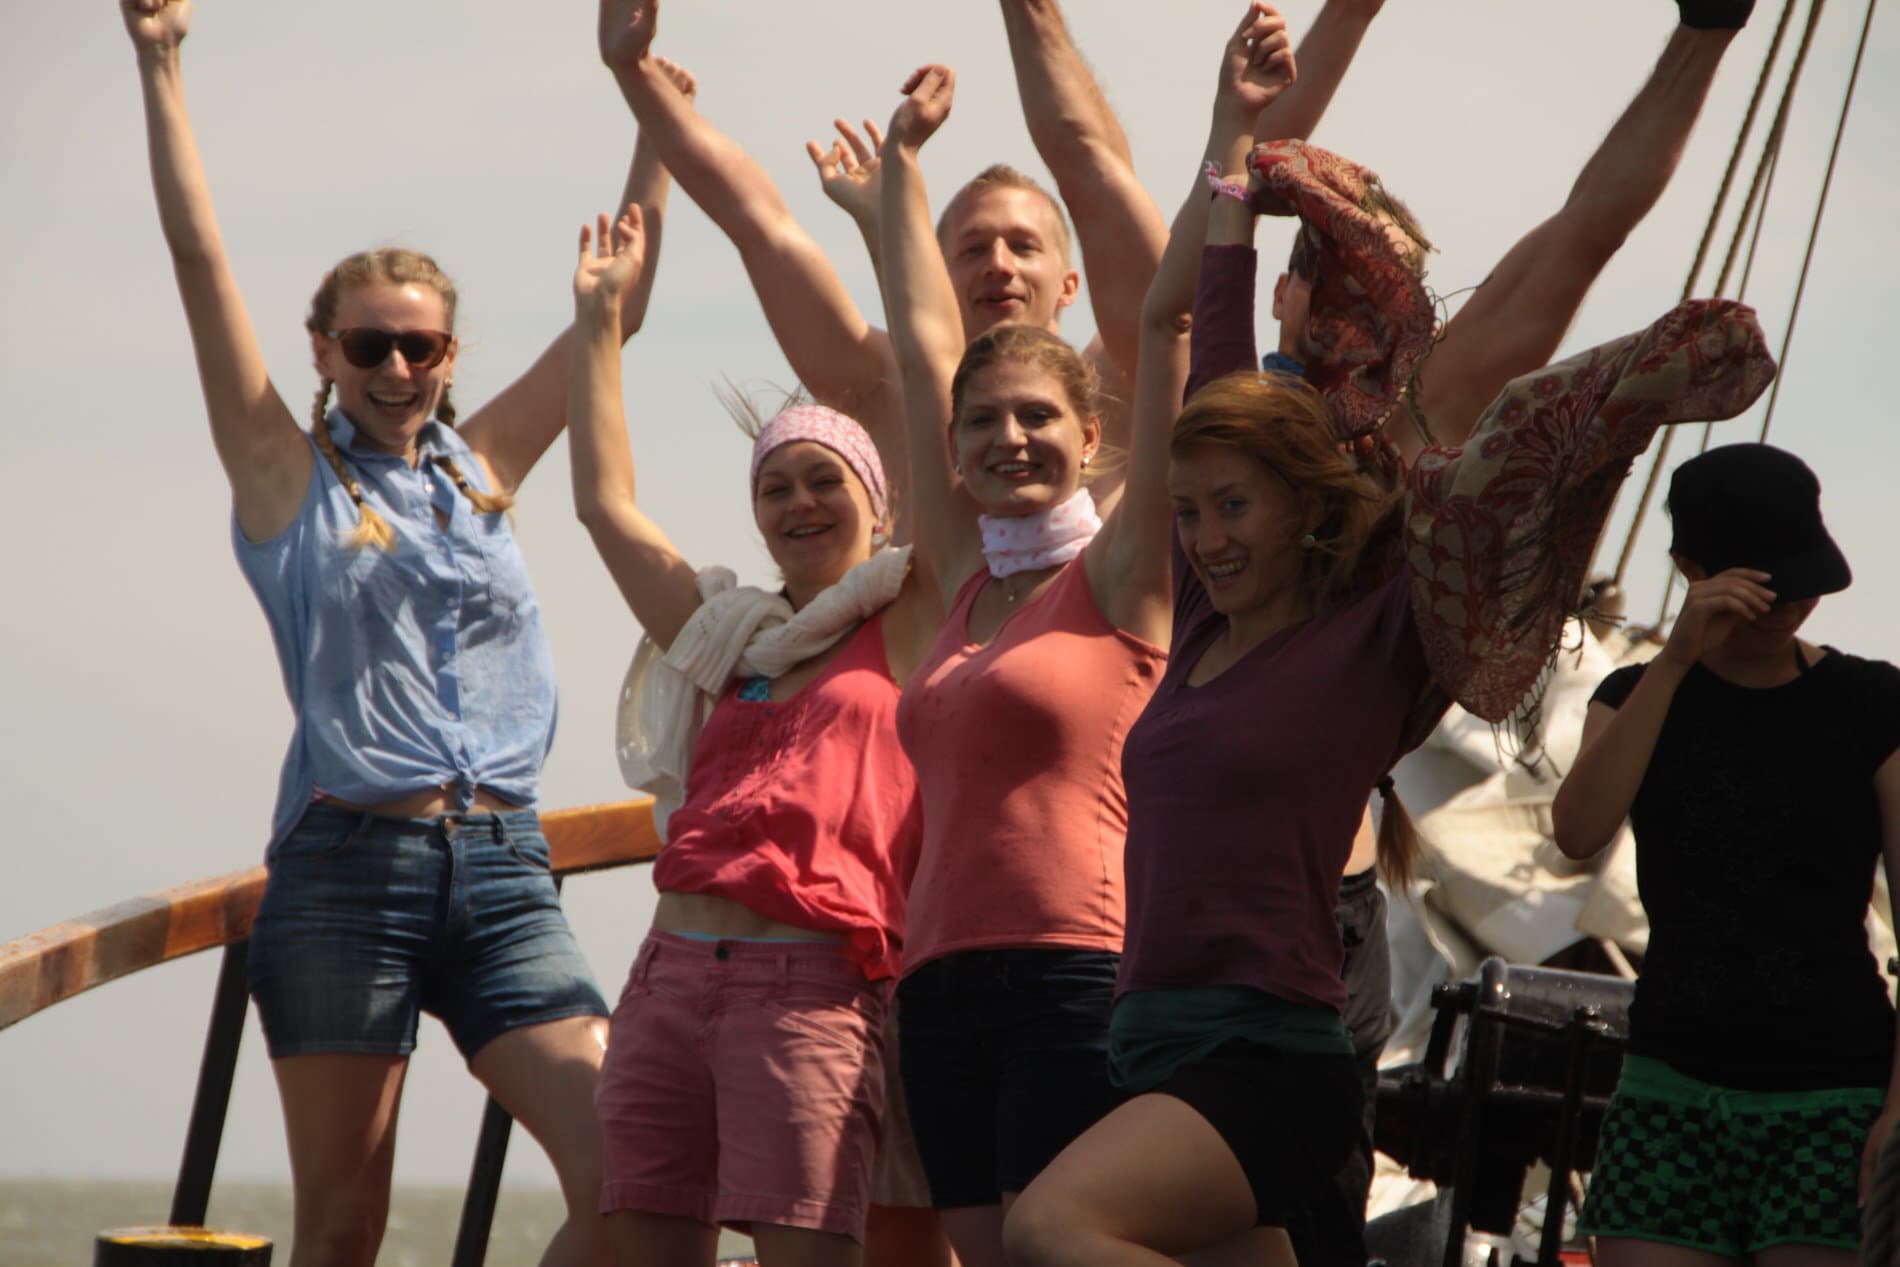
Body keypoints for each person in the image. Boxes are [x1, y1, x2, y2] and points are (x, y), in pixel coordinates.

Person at [1000, 110, 1777, 1267]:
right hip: (1155, 1049)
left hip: (1267, 1060)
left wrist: (1629, 390)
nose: (1206, 536)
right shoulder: (1204, 617)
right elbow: (1214, 359)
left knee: (1048, 1227)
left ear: (1301, 503)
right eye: (1191, 509)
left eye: (1234, 507)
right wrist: (1231, 203)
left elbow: (1506, 452)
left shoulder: (1369, 639)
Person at [118, 2, 674, 1263]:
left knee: (633, 1171)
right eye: (368, 343)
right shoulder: (285, 478)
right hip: (347, 871)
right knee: (345, 1227)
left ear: (449, 353)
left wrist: (640, 93)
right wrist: (160, 63)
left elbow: (620, 309)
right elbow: (201, 265)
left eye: (420, 345)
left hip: (505, 866)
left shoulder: (485, 466)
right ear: (324, 350)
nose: (396, 366)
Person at [863, 8, 1304, 1258]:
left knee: (1058, 1243)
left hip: (1076, 967)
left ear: (1089, 435)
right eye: (983, 424)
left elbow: (1166, 327)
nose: (1009, 440)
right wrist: (898, 173)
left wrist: (1230, 129)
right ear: (952, 453)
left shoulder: (1120, 568)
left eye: (1037, 419)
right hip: (938, 981)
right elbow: (921, 344)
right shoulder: (959, 583)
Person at [567, 204, 946, 1267]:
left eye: (826, 480)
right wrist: (598, 321)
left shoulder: (910, 619)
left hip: (811, 987)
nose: (799, 501)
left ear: (880, 504)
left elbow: (927, 386)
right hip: (668, 974)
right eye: (775, 487)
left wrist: (891, 221)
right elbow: (604, 507)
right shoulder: (726, 634)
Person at [1554, 443, 1900, 1267]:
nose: (1791, 602)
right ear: (1691, 568)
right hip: (1670, 1079)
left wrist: (1897, 1108)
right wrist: (1675, 659)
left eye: (1805, 580)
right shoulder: (1634, 696)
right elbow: (1578, 831)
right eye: (1768, 582)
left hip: (1835, 1090)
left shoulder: (1872, 702)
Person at [1261, 0, 1761, 472]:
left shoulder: (1414, 426)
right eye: (1327, 269)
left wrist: (1705, 31)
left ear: (1413, 321)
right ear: (1282, 293)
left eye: (1379, 286)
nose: (1347, 296)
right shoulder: (1219, 382)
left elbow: (1587, 231)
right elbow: (1229, 184)